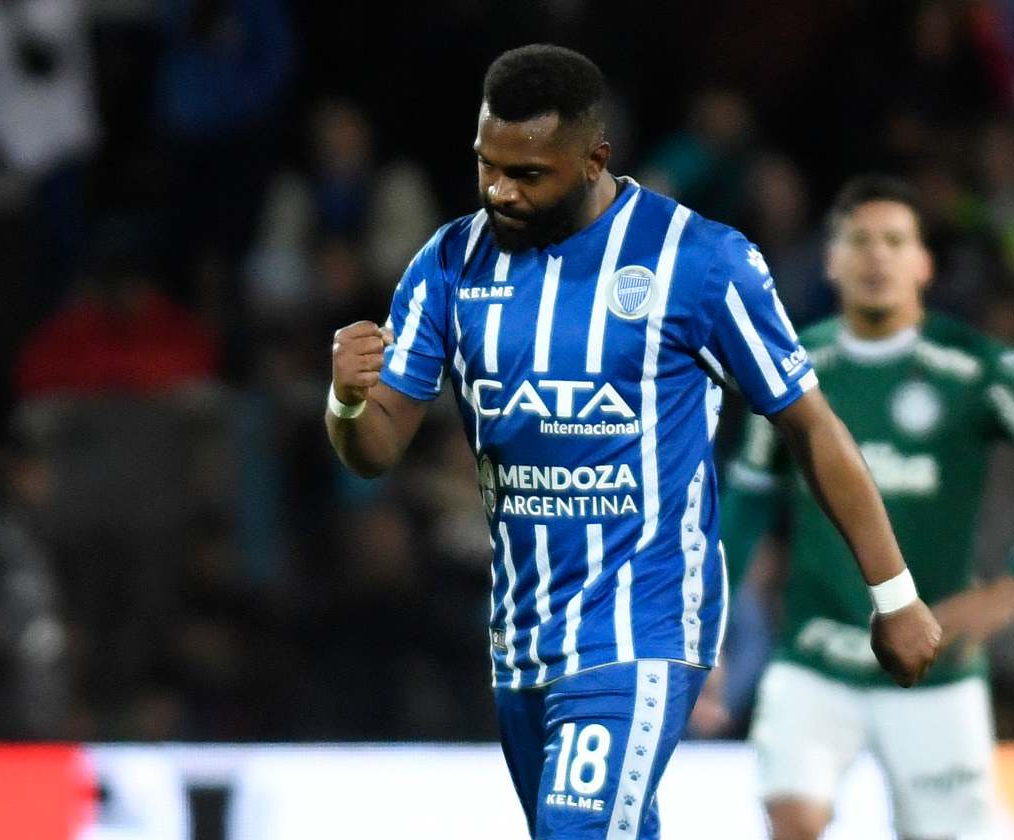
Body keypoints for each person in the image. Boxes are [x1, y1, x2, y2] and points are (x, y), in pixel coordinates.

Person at [326, 47, 940, 839]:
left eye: (528, 174)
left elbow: (809, 426)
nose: (500, 191)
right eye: (487, 166)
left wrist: (895, 596)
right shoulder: (449, 263)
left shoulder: (699, 261)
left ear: (594, 159)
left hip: (642, 624)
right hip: (521, 637)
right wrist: (347, 399)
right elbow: (374, 450)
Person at [717, 176, 1014, 840]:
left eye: (895, 242)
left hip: (934, 663)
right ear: (831, 261)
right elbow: (748, 500)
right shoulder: (792, 369)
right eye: (859, 241)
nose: (877, 257)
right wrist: (712, 631)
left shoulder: (976, 368)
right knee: (794, 818)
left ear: (924, 264)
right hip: (816, 652)